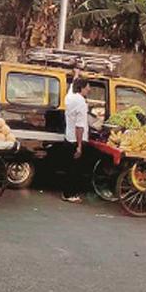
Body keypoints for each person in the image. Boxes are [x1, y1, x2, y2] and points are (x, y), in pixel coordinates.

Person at [62, 73, 91, 203]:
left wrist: (76, 75)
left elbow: (72, 86)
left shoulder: (70, 97)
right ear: (82, 88)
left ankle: (66, 193)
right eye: (88, 87)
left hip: (68, 138)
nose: (89, 89)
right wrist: (79, 146)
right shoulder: (81, 103)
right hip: (75, 140)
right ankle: (70, 195)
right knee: (74, 169)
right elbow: (80, 127)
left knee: (69, 167)